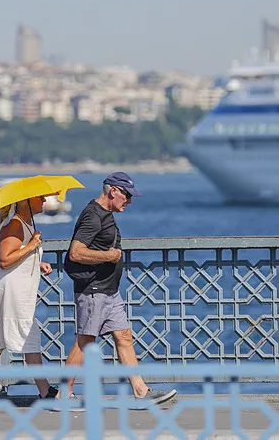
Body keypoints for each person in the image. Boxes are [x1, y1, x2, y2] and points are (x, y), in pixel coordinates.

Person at [63, 172, 176, 404]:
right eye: (126, 196)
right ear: (113, 190)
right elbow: (75, 252)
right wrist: (109, 255)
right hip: (93, 290)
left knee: (124, 336)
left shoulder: (106, 214)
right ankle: (63, 393)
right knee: (85, 342)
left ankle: (141, 391)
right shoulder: (93, 216)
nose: (129, 201)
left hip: (109, 290)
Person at [0, 195, 59, 400]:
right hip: (11, 292)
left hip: (14, 289)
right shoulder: (14, 225)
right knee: (28, 336)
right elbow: (5, 260)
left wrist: (37, 261)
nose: (43, 201)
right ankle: (45, 391)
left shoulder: (24, 223)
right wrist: (32, 246)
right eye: (40, 198)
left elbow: (17, 253)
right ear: (27, 202)